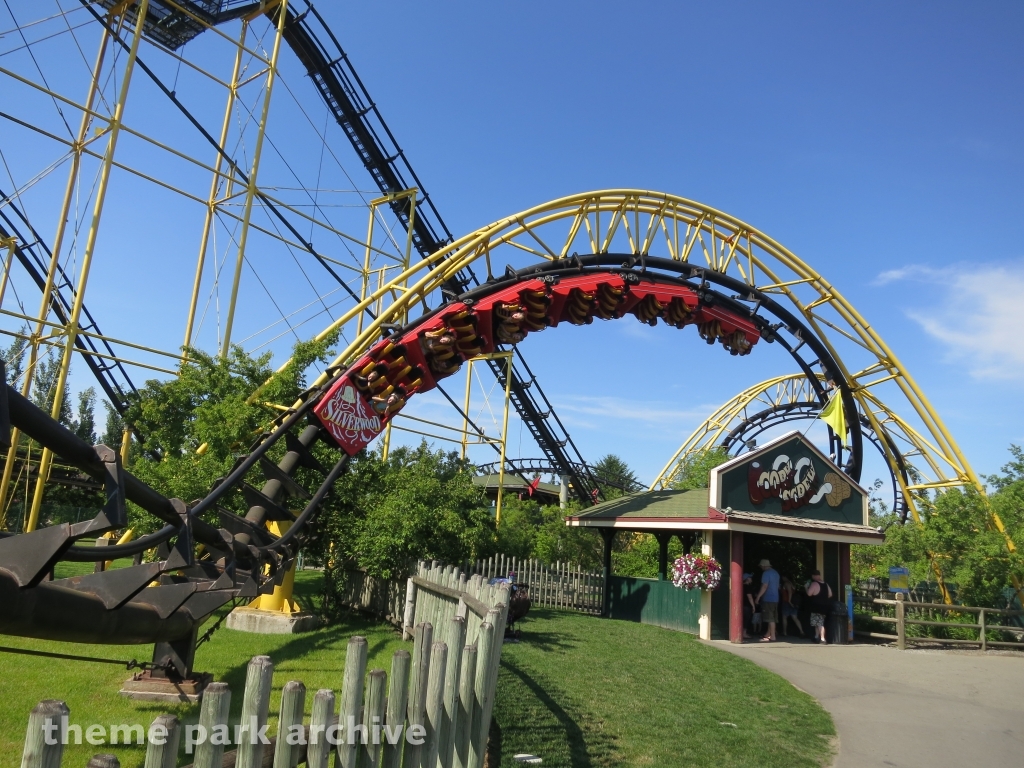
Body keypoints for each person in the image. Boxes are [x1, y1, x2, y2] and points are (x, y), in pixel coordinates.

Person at [754, 558, 780, 642]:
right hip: (775, 598)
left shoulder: (766, 573)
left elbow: (765, 586)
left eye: (761, 566)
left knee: (770, 618)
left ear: (764, 566)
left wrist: (758, 597)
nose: (761, 567)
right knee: (773, 617)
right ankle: (768, 634)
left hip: (768, 598)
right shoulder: (776, 573)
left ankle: (772, 636)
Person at [805, 570, 833, 643]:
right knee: (817, 622)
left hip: (816, 606)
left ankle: (822, 638)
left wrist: (806, 587)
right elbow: (830, 594)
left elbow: (809, 594)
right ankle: (816, 636)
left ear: (814, 576)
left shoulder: (814, 584)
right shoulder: (826, 584)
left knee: (819, 623)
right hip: (825, 607)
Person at [742, 573, 756, 640]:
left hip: (742, 605)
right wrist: (753, 606)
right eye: (750, 578)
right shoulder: (747, 587)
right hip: (747, 606)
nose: (751, 579)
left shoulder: (741, 586)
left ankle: (743, 633)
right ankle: (744, 633)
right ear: (747, 579)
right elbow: (750, 597)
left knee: (743, 619)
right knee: (746, 620)